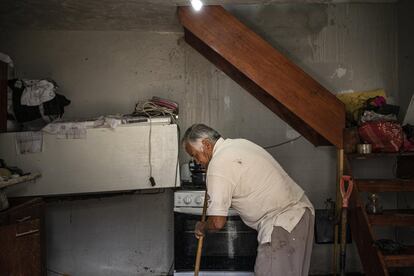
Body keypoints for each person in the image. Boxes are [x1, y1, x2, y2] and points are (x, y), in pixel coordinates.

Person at [182, 123, 315, 276]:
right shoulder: (239, 144)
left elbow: (217, 222)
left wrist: (202, 227)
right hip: (298, 216)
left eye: (194, 155)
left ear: (206, 145)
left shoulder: (218, 164)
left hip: (282, 223)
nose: (196, 161)